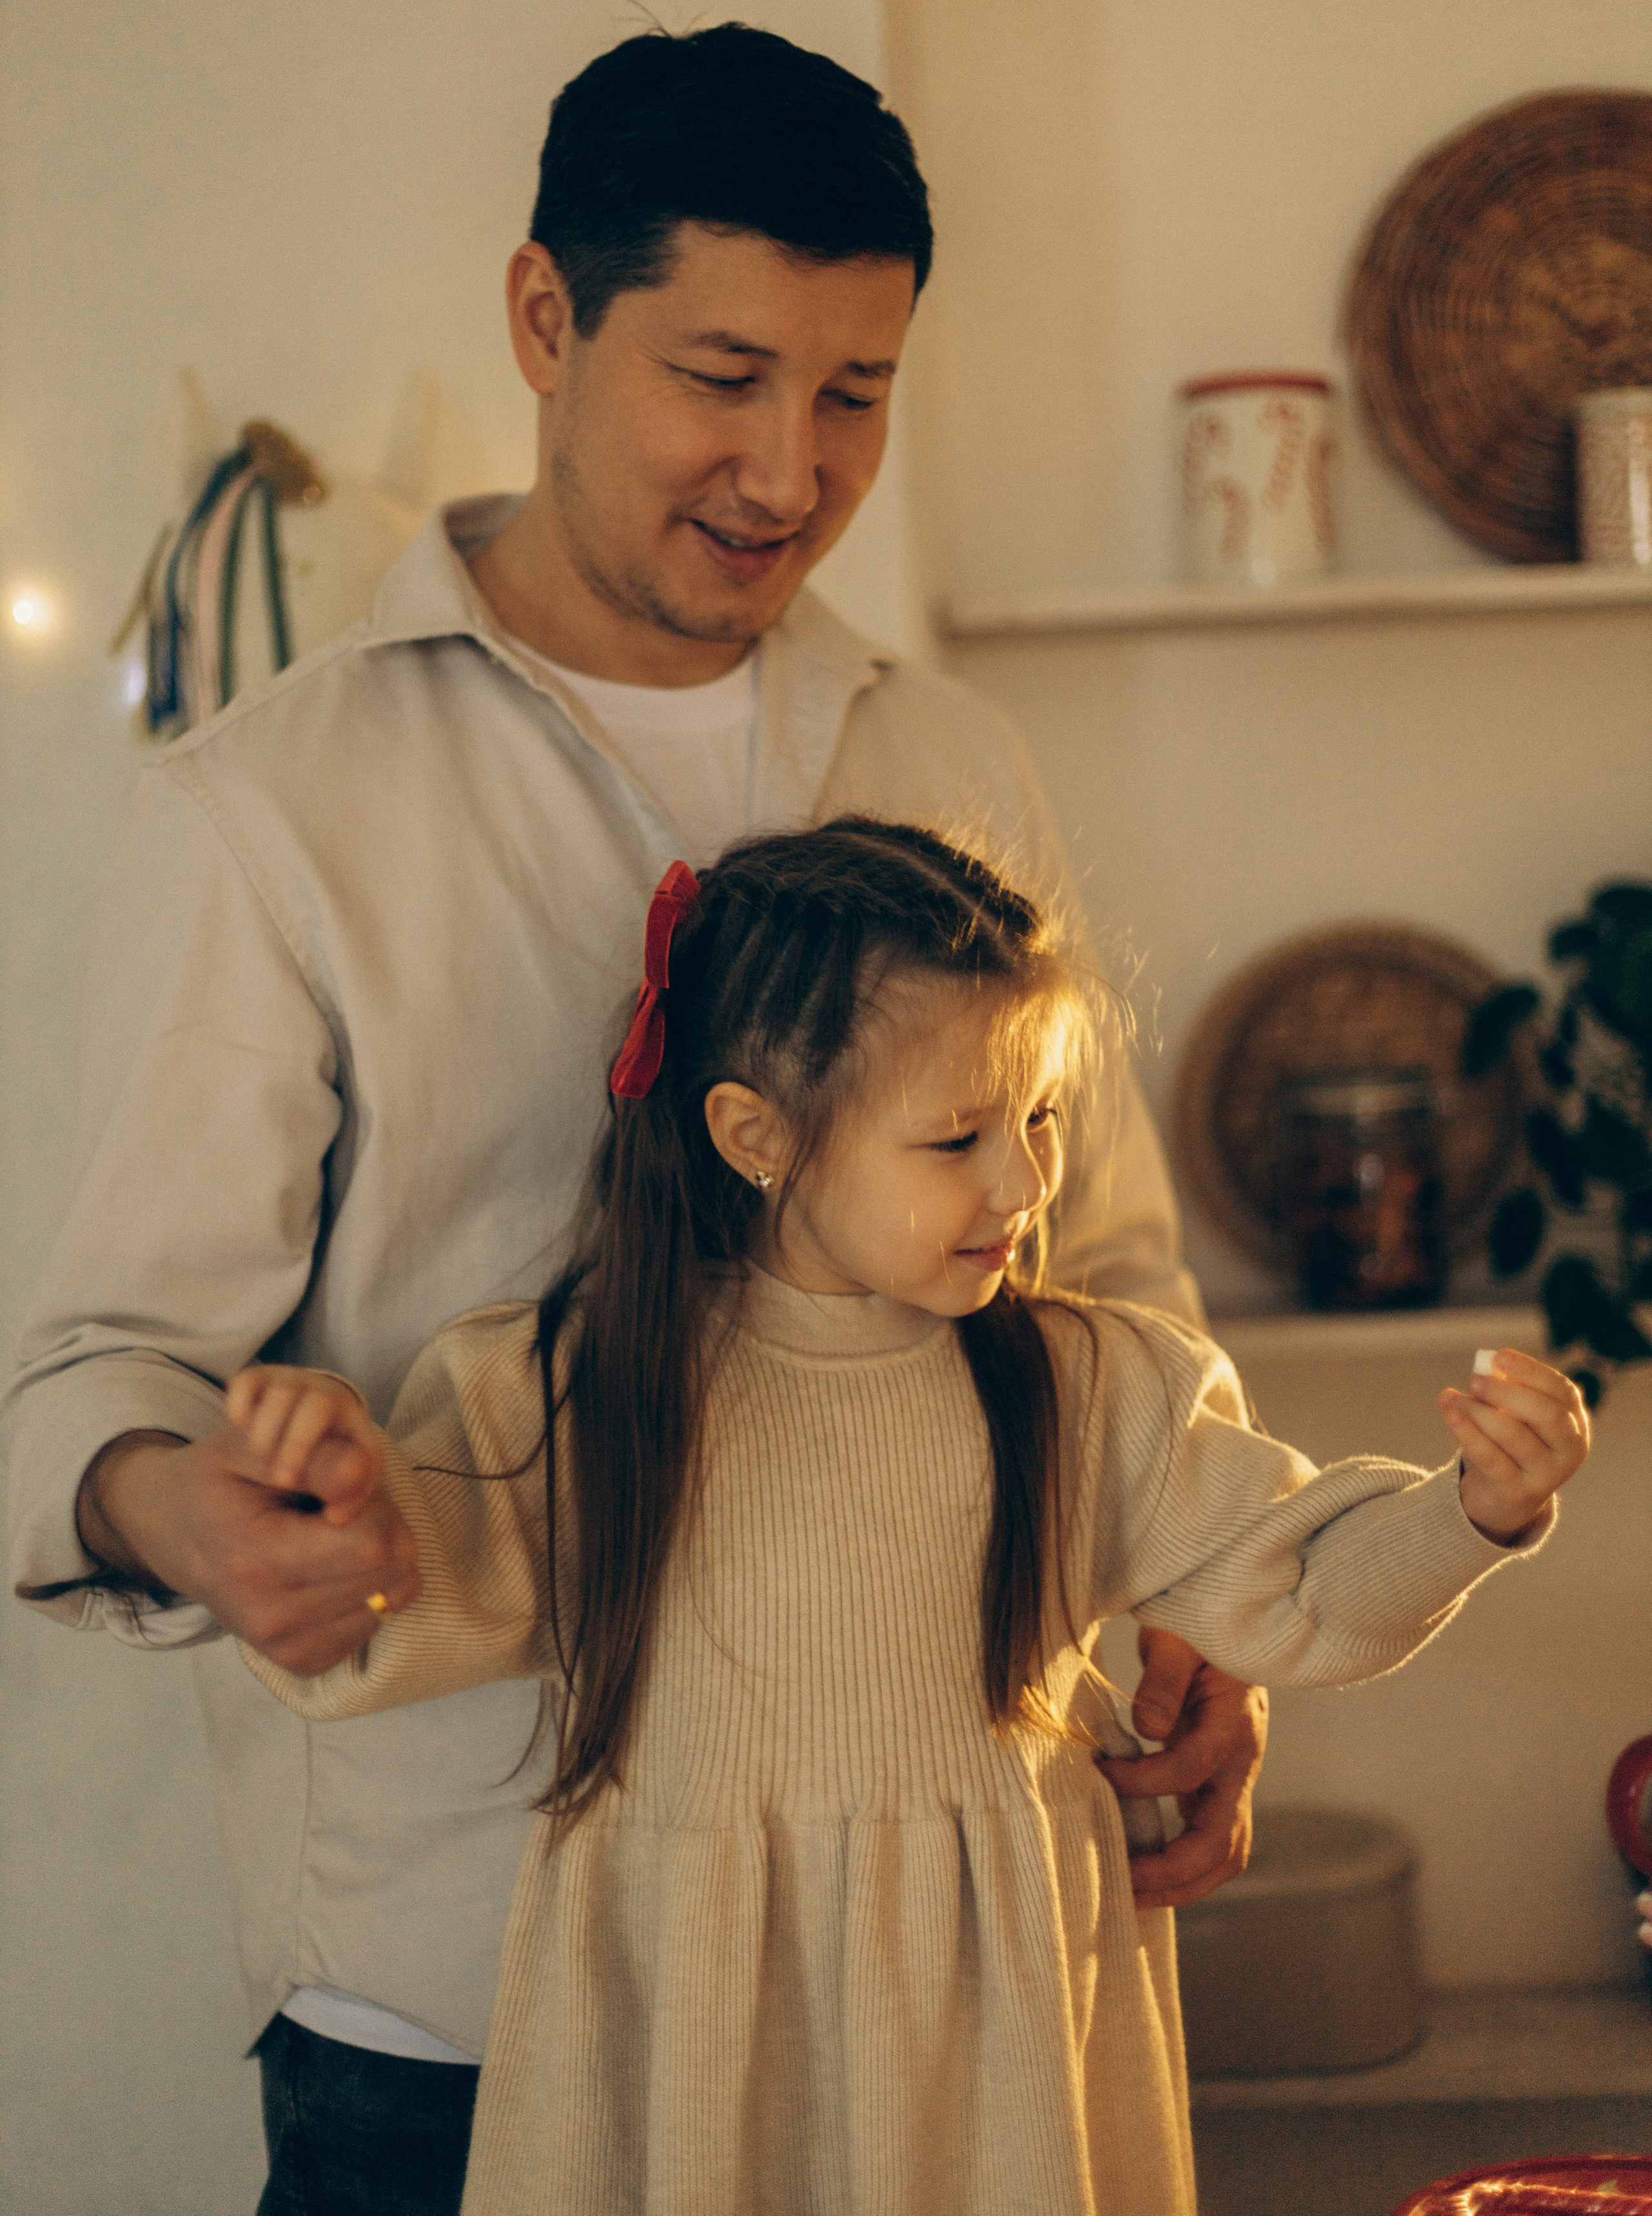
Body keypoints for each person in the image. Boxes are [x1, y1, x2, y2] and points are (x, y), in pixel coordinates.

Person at [6, 25, 1261, 2214]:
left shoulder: (954, 758)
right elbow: (95, 1370)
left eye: (856, 393)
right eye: (724, 375)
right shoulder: (267, 813)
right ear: (542, 320)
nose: (790, 468)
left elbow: (1115, 1288)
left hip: (941, 1979)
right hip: (468, 1999)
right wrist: (187, 1510)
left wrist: (1199, 1627)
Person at [227, 820, 1588, 2216]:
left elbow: (1301, 1588)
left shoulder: (1089, 1383)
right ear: (754, 1136)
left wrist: (1471, 1511)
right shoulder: (580, 1386)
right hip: (693, 2034)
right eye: (957, 1136)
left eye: (1042, 1118)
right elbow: (378, 1618)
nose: (1023, 1183)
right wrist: (326, 1497)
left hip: (1000, 2044)